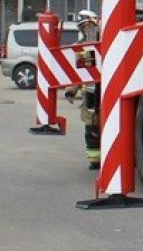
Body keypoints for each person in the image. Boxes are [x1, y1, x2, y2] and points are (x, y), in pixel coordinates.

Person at [64, 10, 101, 169]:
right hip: (90, 94)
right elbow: (80, 73)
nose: (86, 28)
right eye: (83, 26)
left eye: (89, 25)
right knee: (91, 128)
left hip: (105, 91)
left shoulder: (104, 41)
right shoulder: (83, 46)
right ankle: (95, 160)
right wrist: (71, 91)